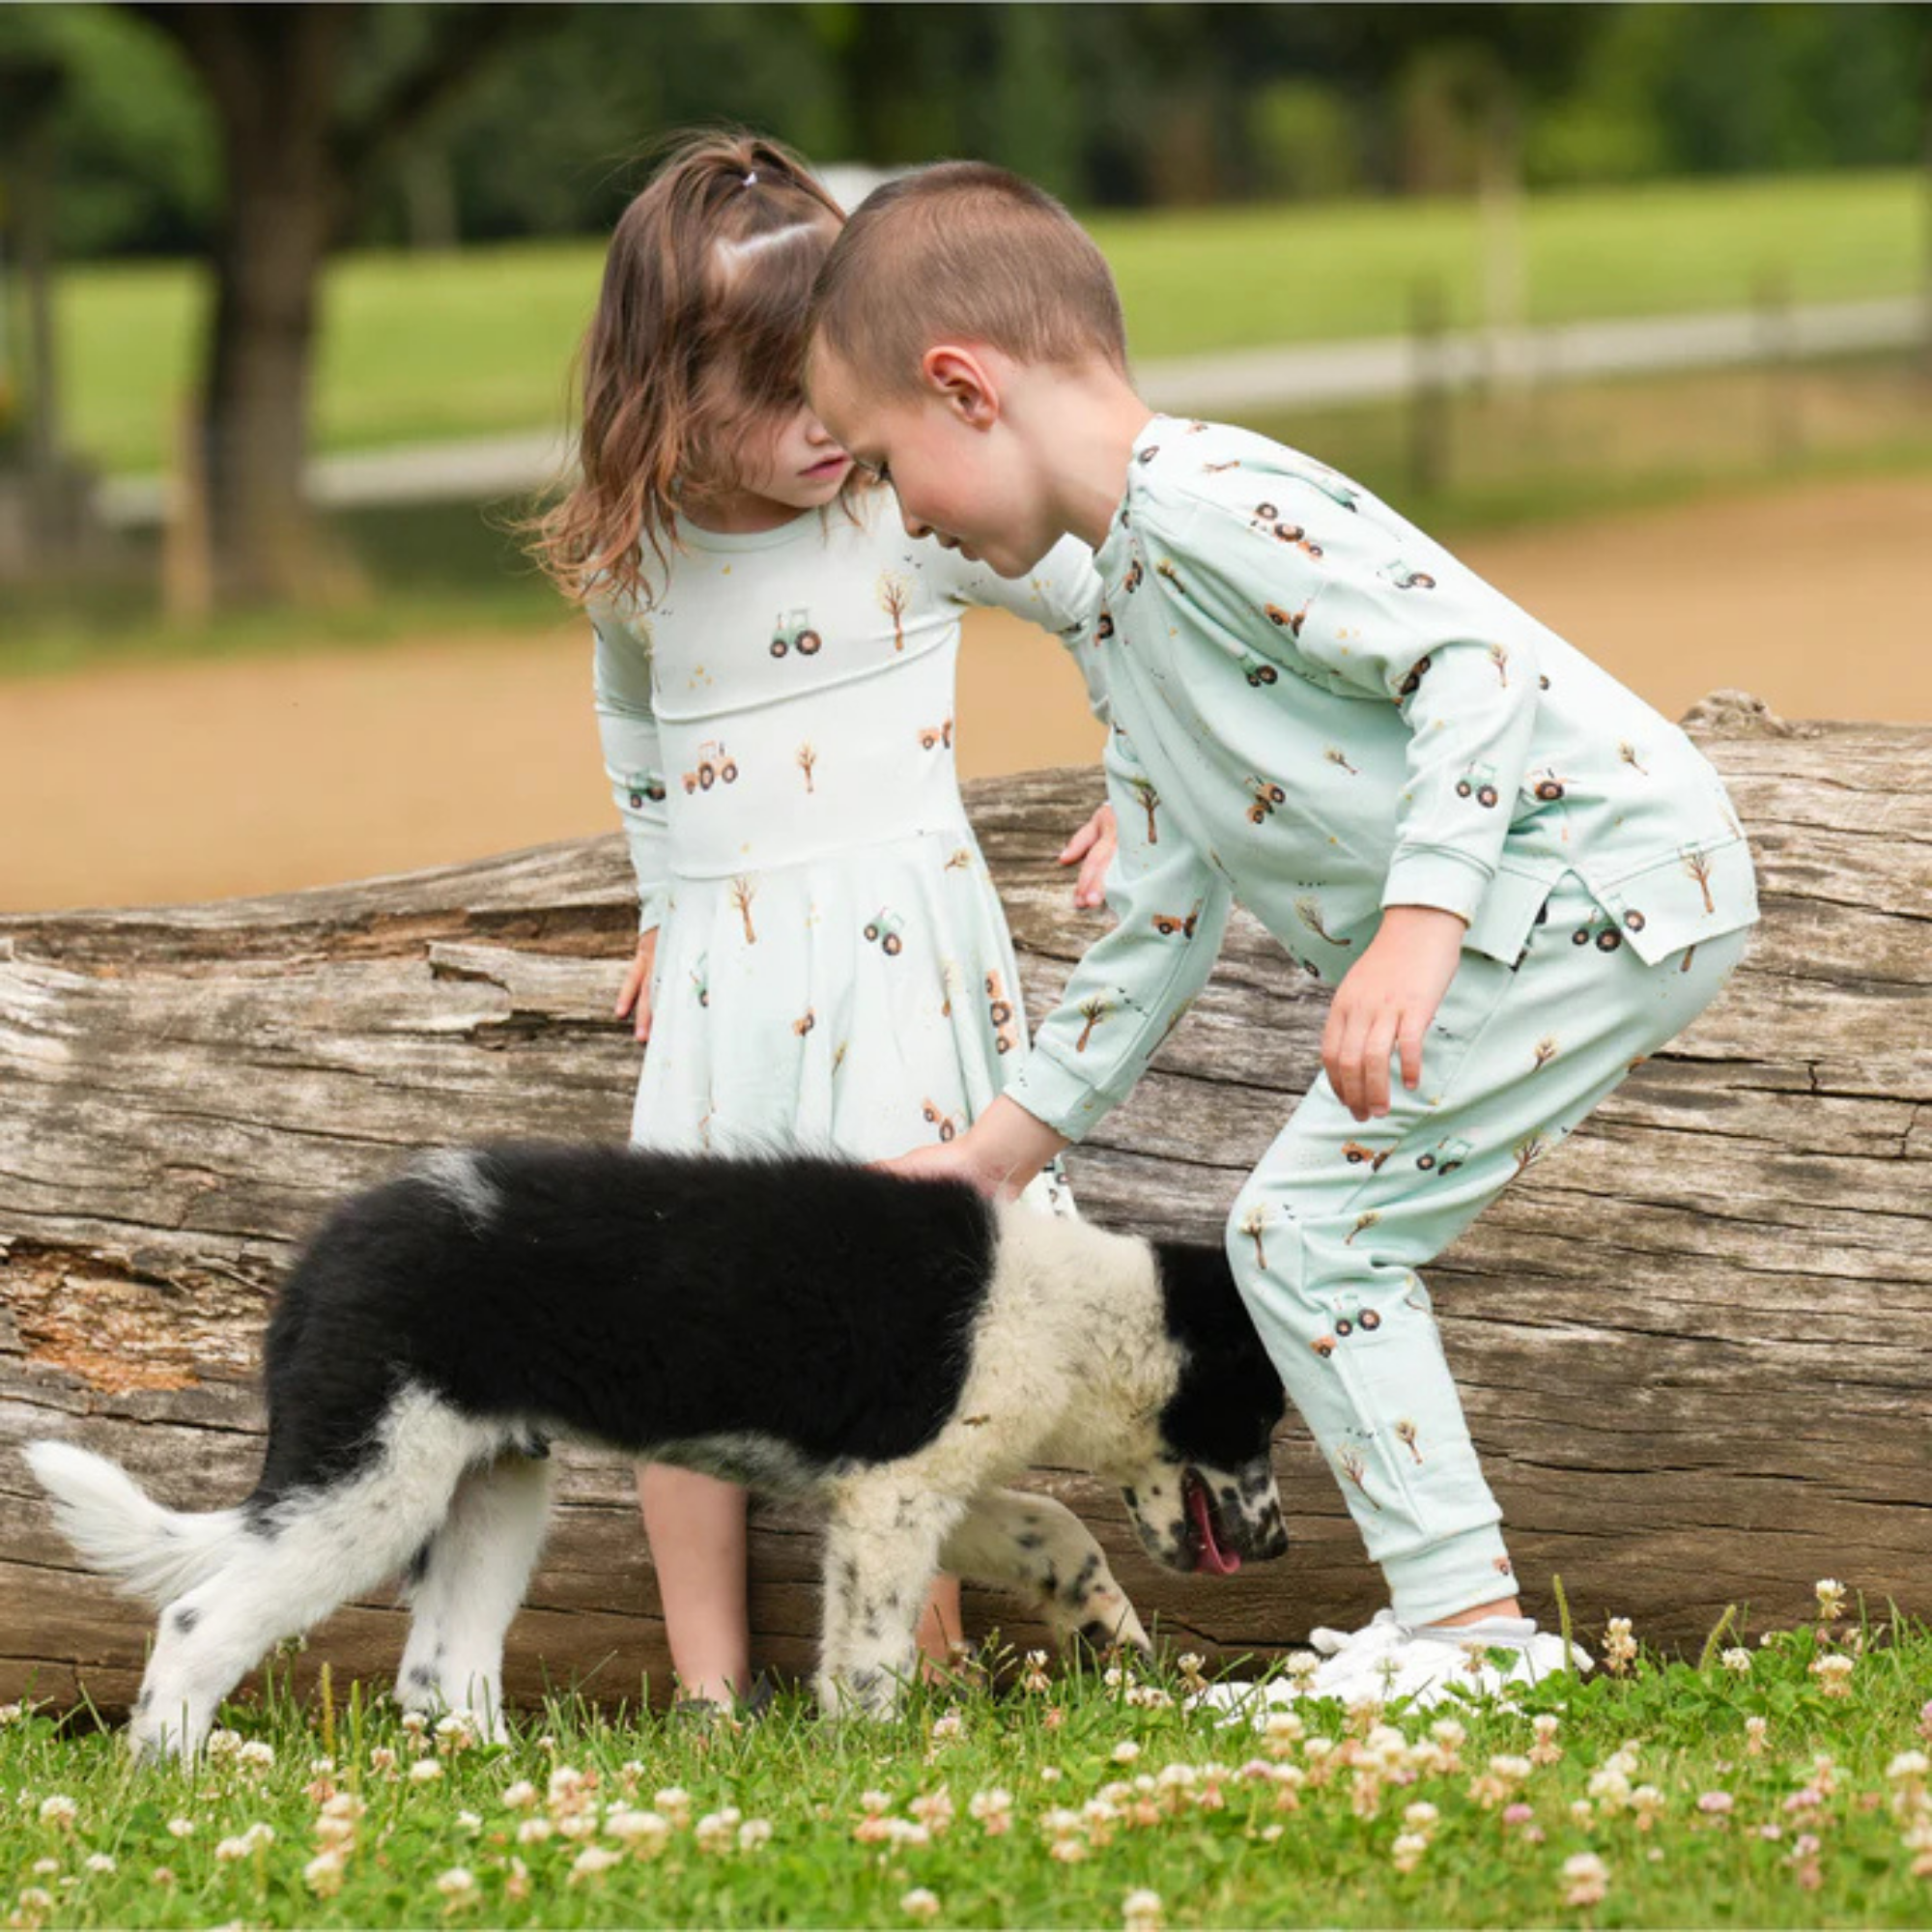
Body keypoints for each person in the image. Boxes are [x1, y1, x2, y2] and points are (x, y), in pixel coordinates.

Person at [803, 161, 1759, 1706]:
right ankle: (1459, 1626)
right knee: (1314, 1233)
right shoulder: (1125, 609)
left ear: (963, 390)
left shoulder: (1208, 504)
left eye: (883, 465)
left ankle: (1464, 1641)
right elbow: (1163, 917)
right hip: (1562, 898)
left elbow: (1465, 663)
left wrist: (1418, 929)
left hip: (1601, 882)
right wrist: (996, 1154)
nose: (899, 512)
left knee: (1308, 1233)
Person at [527, 135, 1113, 1717]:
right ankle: (712, 1692)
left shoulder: (903, 517)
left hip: (893, 965)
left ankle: (905, 1680)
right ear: (664, 387)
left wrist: (1142, 776)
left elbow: (1102, 584)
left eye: (837, 386)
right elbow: (633, 720)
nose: (823, 428)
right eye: (777, 392)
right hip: (727, 985)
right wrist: (663, 895)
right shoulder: (638, 566)